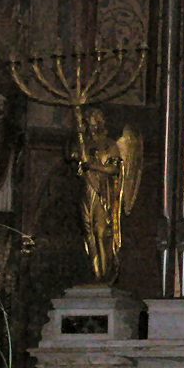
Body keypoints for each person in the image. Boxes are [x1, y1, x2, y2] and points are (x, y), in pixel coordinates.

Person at [69, 108, 142, 284]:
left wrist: (92, 166)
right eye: (88, 122)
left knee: (101, 233)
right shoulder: (84, 144)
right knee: (89, 233)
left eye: (93, 121)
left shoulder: (109, 145)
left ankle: (106, 273)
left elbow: (115, 169)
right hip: (87, 192)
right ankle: (95, 273)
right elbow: (73, 157)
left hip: (103, 193)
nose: (91, 125)